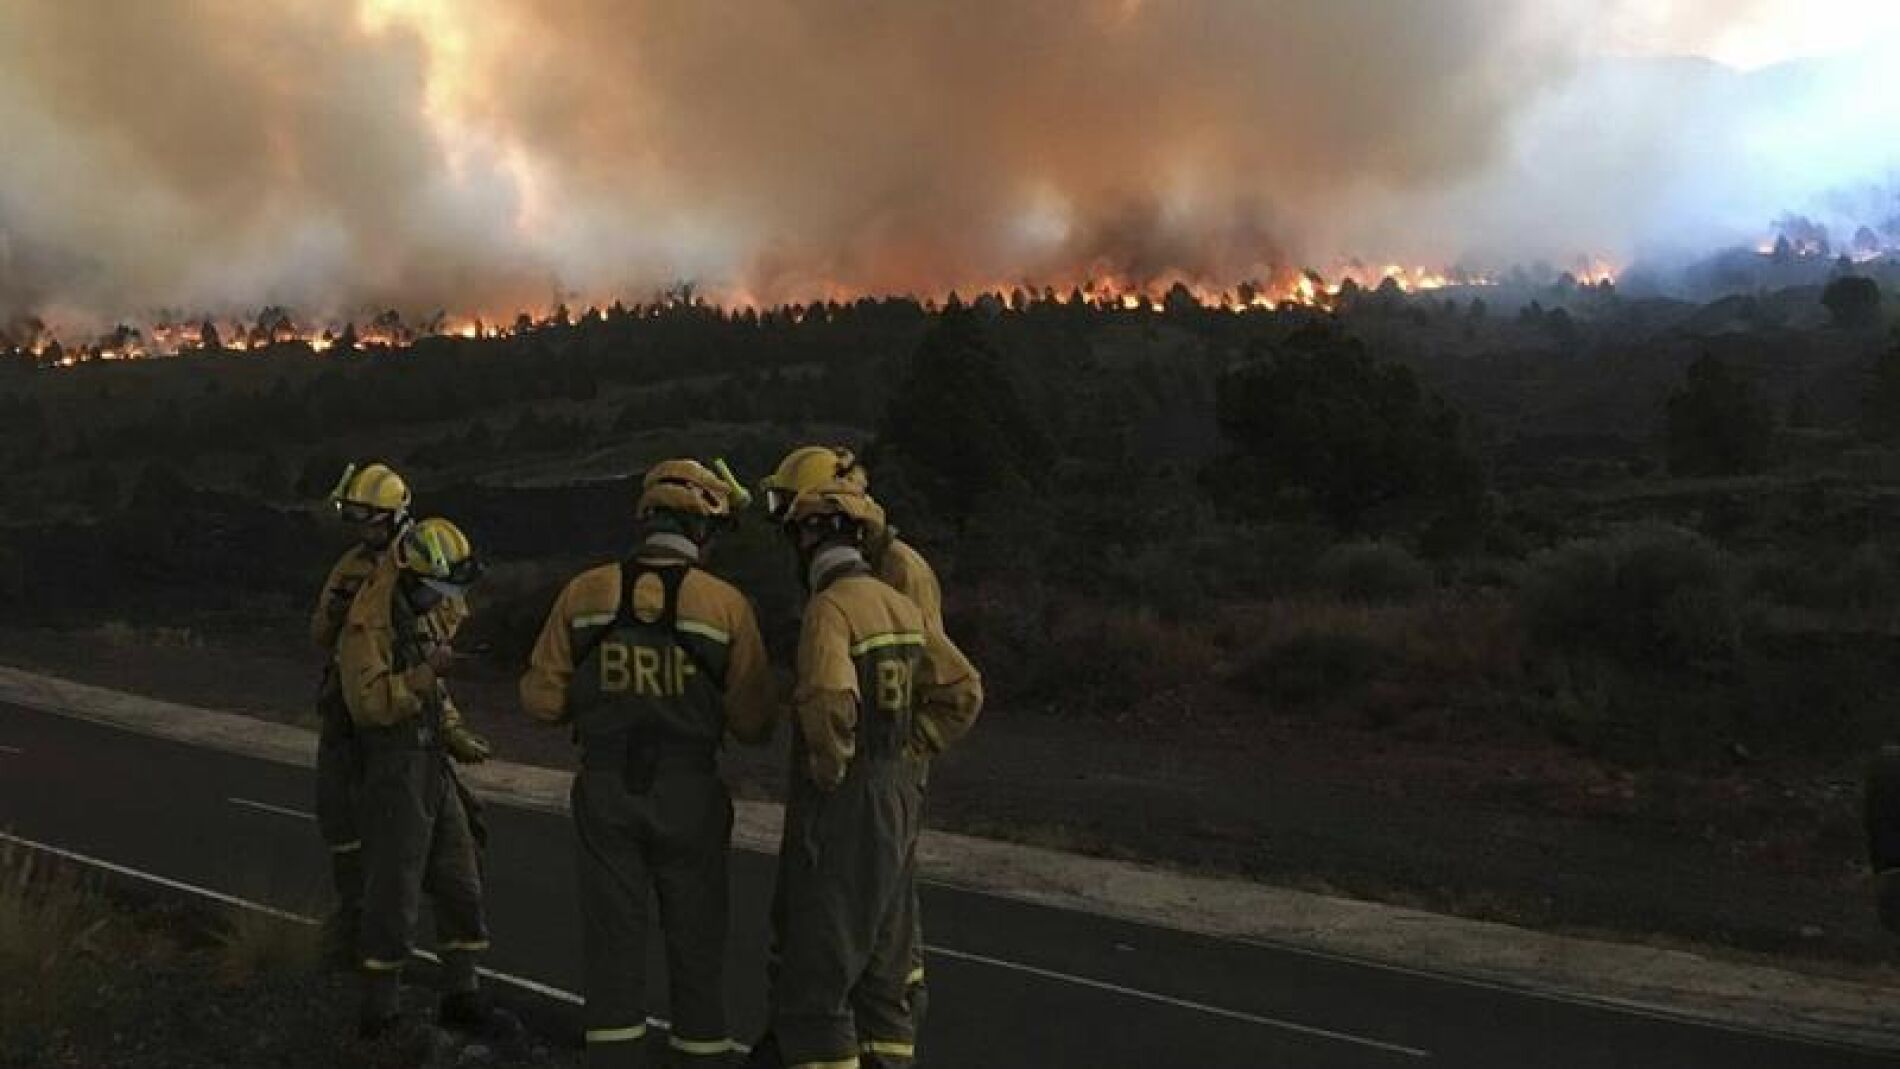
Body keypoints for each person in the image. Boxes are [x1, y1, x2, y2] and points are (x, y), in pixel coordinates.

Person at [520, 458, 779, 1068]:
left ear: (647, 518)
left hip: (606, 788)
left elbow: (540, 702)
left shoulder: (584, 592)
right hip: (691, 793)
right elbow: (754, 723)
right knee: (697, 944)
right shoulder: (726, 605)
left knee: (613, 943)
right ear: (701, 529)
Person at [751, 480, 982, 1069]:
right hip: (898, 789)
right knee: (885, 967)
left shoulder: (829, 607)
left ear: (808, 537)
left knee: (819, 970)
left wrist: (830, 768)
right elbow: (962, 689)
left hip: (850, 801)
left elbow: (830, 698)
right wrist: (913, 742)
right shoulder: (899, 603)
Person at [335, 516, 509, 1039]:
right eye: (439, 590)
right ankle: (380, 1010)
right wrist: (425, 674)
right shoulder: (368, 624)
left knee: (460, 878)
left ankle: (462, 994)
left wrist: (452, 731)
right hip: (393, 769)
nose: (446, 603)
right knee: (394, 890)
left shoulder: (419, 614)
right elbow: (369, 704)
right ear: (413, 578)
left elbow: (435, 689)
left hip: (431, 761)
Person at [310, 462, 412, 963]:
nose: (363, 533)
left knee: (396, 823)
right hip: (344, 708)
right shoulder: (350, 565)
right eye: (357, 522)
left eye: (370, 522)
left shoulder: (417, 563)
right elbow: (319, 633)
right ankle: (352, 912)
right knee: (336, 809)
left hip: (395, 705)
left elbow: (448, 618)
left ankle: (387, 932)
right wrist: (335, 612)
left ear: (394, 517)